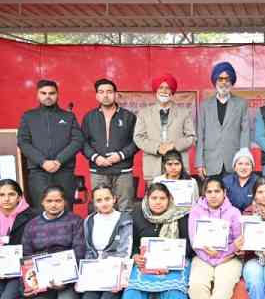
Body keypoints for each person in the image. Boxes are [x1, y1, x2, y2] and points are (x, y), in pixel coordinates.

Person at [120, 183, 194, 299]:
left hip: (173, 265)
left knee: (175, 294)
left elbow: (188, 247)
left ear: (169, 199)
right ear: (147, 199)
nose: (158, 202)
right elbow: (131, 244)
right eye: (154, 198)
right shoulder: (137, 214)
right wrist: (135, 256)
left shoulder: (181, 215)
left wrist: (169, 261)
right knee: (132, 293)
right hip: (145, 264)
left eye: (162, 198)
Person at [187, 176, 243, 299]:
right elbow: (195, 240)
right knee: (196, 285)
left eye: (217, 191)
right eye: (209, 192)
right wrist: (208, 255)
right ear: (204, 193)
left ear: (224, 192)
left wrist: (224, 255)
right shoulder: (196, 212)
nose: (213, 195)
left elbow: (238, 241)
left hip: (228, 258)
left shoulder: (234, 213)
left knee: (223, 287)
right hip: (203, 257)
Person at [80, 184, 133, 299]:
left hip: (114, 272)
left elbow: (125, 250)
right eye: (99, 200)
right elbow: (87, 249)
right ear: (94, 203)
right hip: (94, 273)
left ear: (114, 199)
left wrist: (112, 271)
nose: (104, 203)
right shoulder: (88, 221)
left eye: (107, 198)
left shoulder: (124, 219)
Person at [17, 79, 84, 209]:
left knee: (65, 210)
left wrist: (59, 161)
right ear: (38, 95)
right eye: (44, 93)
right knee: (40, 211)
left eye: (51, 93)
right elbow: (23, 142)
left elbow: (78, 140)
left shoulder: (68, 117)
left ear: (57, 95)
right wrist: (42, 162)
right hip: (38, 172)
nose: (48, 96)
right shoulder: (28, 116)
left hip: (64, 171)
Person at [81, 78, 138, 212]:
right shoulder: (89, 117)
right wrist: (95, 157)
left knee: (126, 207)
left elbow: (137, 142)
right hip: (98, 170)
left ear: (116, 94)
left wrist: (121, 155)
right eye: (101, 92)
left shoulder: (128, 116)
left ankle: (125, 234)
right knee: (100, 208)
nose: (105, 95)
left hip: (123, 170)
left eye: (109, 91)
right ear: (97, 95)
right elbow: (82, 142)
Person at [133, 73, 196, 183]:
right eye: (161, 87)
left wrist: (174, 145)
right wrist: (157, 147)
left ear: (172, 91)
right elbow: (138, 138)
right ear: (156, 90)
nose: (164, 91)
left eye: (167, 88)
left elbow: (191, 137)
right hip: (153, 167)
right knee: (156, 199)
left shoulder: (184, 113)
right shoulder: (144, 113)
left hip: (178, 167)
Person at [195, 62, 250, 178]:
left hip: (234, 161)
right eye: (220, 79)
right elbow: (200, 135)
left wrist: (244, 159)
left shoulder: (241, 103)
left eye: (227, 79)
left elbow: (245, 133)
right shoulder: (205, 105)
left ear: (231, 81)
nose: (224, 82)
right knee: (212, 195)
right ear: (215, 81)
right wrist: (199, 163)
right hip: (211, 162)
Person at [222, 148, 259, 212]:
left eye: (247, 164)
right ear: (234, 167)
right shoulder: (226, 181)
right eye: (240, 164)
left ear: (252, 168)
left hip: (252, 218)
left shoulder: (258, 182)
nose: (243, 167)